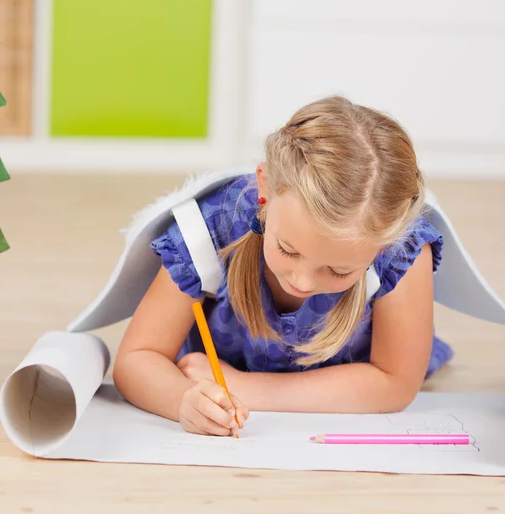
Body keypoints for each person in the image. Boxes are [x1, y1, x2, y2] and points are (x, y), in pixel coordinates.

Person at [113, 95, 452, 437]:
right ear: (264, 188)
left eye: (338, 271)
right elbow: (137, 358)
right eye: (287, 250)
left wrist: (247, 388)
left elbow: (394, 383)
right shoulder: (212, 227)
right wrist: (182, 400)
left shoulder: (401, 247)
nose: (302, 283)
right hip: (204, 375)